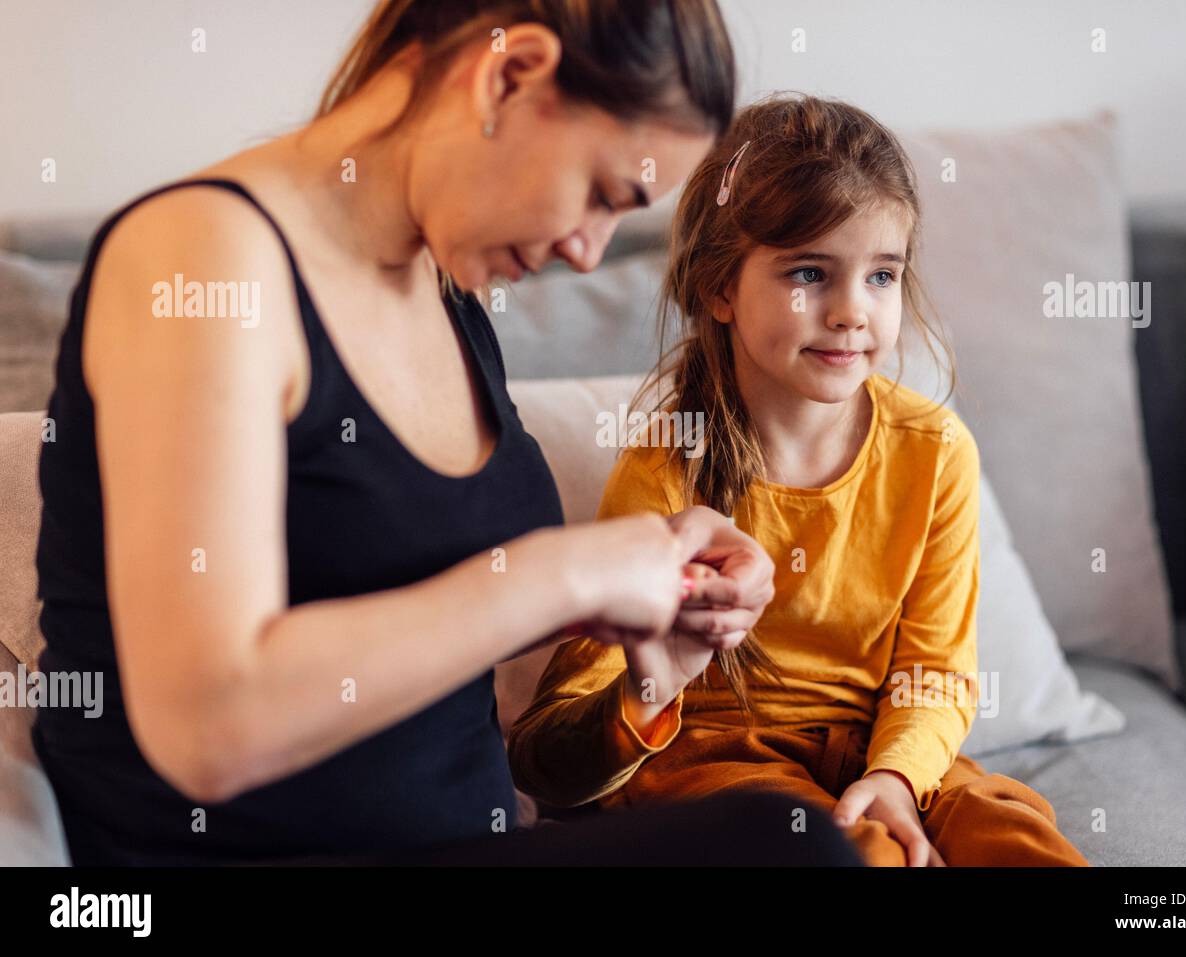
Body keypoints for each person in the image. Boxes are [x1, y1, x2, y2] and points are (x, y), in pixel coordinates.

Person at [31, 0, 840, 866]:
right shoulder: (200, 256)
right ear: (506, 75)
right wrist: (571, 572)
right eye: (604, 196)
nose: (586, 250)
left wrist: (657, 584)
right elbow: (206, 725)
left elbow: (419, 587)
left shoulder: (444, 281)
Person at [507, 94, 1091, 867]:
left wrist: (895, 773)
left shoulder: (936, 449)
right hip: (715, 758)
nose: (853, 311)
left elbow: (934, 671)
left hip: (878, 748)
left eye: (882, 275)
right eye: (810, 273)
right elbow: (571, 723)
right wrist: (642, 698)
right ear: (721, 289)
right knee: (860, 854)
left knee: (1016, 838)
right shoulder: (667, 465)